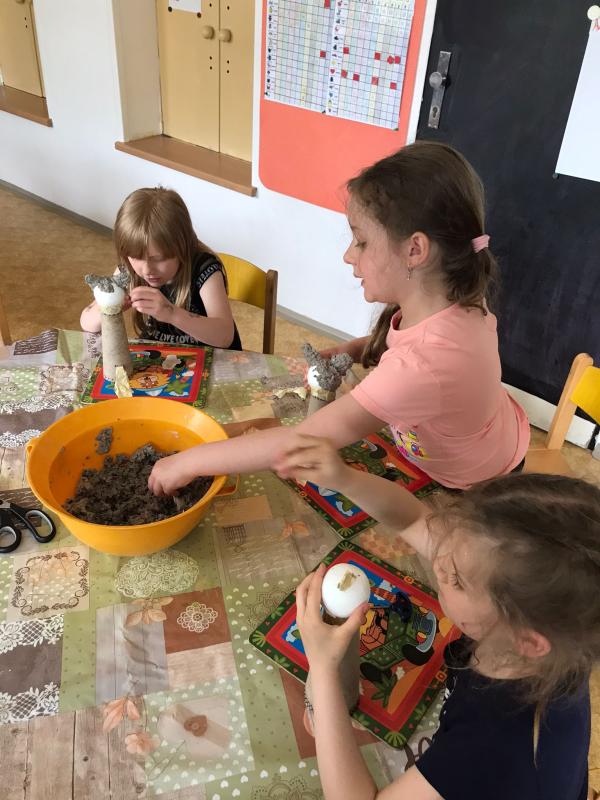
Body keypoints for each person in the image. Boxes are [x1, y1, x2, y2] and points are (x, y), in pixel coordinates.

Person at [148, 142, 529, 496]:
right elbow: (413, 349)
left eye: (361, 241)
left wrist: (186, 462)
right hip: (489, 434)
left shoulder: (423, 365)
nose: (349, 255)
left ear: (415, 250)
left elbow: (301, 443)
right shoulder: (454, 292)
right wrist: (355, 349)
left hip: (472, 484)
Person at [281, 433, 597, 800]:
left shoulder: (490, 748)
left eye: (457, 579)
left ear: (526, 639)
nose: (438, 562)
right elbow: (413, 518)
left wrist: (322, 668)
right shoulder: (563, 624)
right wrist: (344, 477)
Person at [80, 187, 241, 349]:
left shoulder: (204, 269)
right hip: (162, 357)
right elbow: (87, 322)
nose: (147, 270)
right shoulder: (129, 270)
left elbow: (224, 336)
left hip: (211, 357)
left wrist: (171, 313)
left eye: (159, 259)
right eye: (136, 257)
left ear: (182, 247)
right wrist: (110, 305)